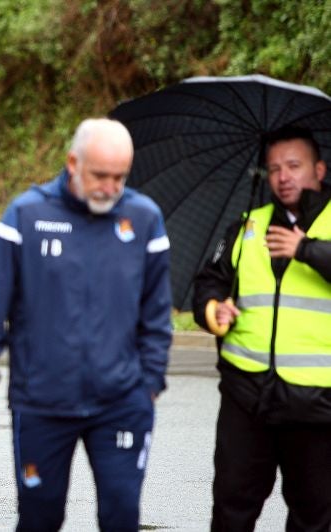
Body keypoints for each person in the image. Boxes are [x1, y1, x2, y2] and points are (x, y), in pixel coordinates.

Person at [0, 118, 173, 530]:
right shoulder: (27, 215)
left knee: (121, 514)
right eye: (100, 175)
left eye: (120, 177)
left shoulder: (144, 219)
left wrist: (148, 385)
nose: (110, 187)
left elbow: (157, 316)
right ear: (73, 163)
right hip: (42, 401)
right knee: (39, 517)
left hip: (122, 402)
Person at [193, 127, 331, 531]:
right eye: (274, 168)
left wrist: (305, 250)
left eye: (294, 165)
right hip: (246, 395)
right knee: (231, 510)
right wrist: (214, 310)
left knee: (313, 518)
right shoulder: (248, 225)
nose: (283, 177)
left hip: (318, 402)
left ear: (319, 170)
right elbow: (210, 281)